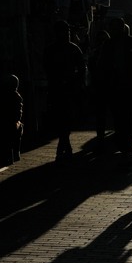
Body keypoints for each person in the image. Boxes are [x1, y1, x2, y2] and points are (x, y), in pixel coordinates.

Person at [105, 17, 132, 167]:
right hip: (116, 88)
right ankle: (125, 148)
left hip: (129, 88)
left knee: (126, 120)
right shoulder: (109, 45)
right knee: (120, 119)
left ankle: (126, 150)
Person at [43, 21, 86, 160]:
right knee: (60, 118)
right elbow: (47, 68)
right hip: (57, 89)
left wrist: (76, 82)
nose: (66, 35)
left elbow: (81, 68)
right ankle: (65, 144)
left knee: (67, 118)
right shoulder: (52, 50)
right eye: (64, 32)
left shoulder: (73, 49)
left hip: (70, 90)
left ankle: (63, 144)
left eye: (67, 32)